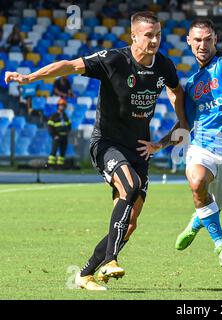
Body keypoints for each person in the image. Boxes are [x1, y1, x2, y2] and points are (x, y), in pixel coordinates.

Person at [5, 11, 188, 290]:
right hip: (107, 143)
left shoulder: (164, 65)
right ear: (134, 35)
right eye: (148, 35)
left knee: (129, 223)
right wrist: (30, 78)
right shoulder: (113, 59)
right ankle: (111, 260)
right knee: (131, 185)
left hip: (139, 148)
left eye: (158, 35)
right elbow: (69, 65)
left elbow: (176, 91)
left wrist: (166, 138)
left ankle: (85, 274)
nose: (154, 40)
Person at [165, 18, 222, 268]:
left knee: (210, 204)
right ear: (188, 41)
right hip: (202, 146)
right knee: (197, 183)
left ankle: (196, 223)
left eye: (208, 39)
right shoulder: (193, 84)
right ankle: (221, 244)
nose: (202, 44)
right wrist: (158, 144)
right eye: (197, 39)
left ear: (215, 39)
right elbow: (185, 124)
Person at [47, 98, 71, 167]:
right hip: (57, 136)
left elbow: (69, 125)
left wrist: (68, 132)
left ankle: (60, 165)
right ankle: (51, 164)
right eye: (61, 105)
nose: (62, 107)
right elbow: (50, 127)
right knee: (54, 150)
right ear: (58, 106)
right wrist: (54, 135)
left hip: (64, 137)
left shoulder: (65, 116)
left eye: (63, 105)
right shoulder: (53, 116)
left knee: (62, 151)